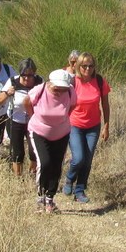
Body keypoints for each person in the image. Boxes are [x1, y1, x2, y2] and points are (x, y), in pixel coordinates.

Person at [25, 69, 77, 214]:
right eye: (56, 88)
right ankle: (40, 197)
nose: (59, 92)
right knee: (45, 163)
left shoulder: (71, 92)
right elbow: (27, 102)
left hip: (62, 133)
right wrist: (35, 117)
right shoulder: (39, 90)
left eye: (63, 89)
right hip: (39, 132)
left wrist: (60, 120)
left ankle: (50, 199)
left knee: (56, 166)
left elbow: (72, 106)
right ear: (50, 83)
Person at [63, 52, 111, 204]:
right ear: (78, 66)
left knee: (88, 160)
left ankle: (80, 191)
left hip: (93, 127)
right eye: (84, 66)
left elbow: (105, 104)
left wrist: (106, 126)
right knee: (78, 158)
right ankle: (69, 179)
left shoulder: (99, 80)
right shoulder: (72, 82)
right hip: (75, 125)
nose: (88, 69)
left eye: (91, 66)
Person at [0, 58, 43, 177]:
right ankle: (18, 177)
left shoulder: (39, 82)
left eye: (30, 75)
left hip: (34, 122)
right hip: (15, 121)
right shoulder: (12, 82)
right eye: (24, 75)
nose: (27, 78)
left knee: (34, 150)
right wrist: (7, 93)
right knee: (18, 152)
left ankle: (32, 174)